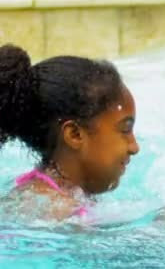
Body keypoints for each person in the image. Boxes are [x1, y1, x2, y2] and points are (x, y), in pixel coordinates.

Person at [0, 44, 139, 221]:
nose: (135, 147)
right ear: (74, 134)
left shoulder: (40, 194)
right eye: (125, 129)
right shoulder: (58, 212)